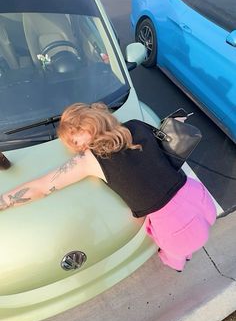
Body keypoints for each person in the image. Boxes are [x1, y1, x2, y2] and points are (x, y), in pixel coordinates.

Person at [0, 102, 216, 271]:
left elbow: (43, 186)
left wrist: (5, 201)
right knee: (196, 235)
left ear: (84, 126)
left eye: (74, 141)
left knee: (176, 256)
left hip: (174, 225)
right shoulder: (135, 125)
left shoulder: (90, 159)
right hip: (196, 194)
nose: (76, 147)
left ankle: (177, 265)